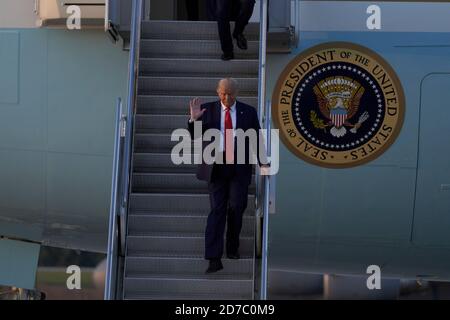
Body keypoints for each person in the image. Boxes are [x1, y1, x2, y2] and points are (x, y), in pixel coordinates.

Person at [187, 78, 269, 273]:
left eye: (230, 93)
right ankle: (214, 258)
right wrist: (194, 120)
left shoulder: (248, 112)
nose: (227, 97)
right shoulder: (207, 110)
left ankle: (232, 246)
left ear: (237, 93)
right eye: (223, 93)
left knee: (237, 206)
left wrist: (263, 163)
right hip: (216, 167)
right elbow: (195, 137)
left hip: (239, 168)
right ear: (218, 92)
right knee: (217, 210)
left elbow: (256, 137)